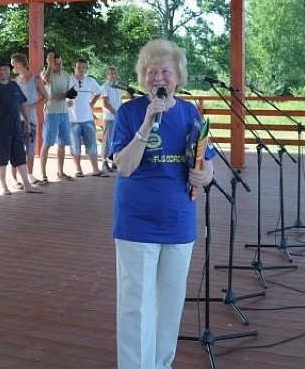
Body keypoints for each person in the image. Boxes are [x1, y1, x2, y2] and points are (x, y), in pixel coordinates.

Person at [110, 39, 214, 369]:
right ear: (143, 78)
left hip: (179, 221)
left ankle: (161, 365)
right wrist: (146, 123)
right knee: (136, 306)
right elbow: (124, 166)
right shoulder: (129, 113)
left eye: (165, 71)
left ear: (178, 77)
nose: (158, 78)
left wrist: (204, 176)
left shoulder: (191, 114)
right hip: (136, 222)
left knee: (169, 305)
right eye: (151, 72)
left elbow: (206, 164)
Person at [0, 59, 42, 195]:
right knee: (2, 158)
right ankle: (4, 187)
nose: (3, 71)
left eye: (5, 69)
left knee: (20, 156)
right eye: (0, 69)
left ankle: (27, 185)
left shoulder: (14, 86)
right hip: (0, 129)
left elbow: (22, 105)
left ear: (9, 71)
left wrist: (27, 122)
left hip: (16, 127)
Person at [10, 52, 48, 188]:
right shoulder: (14, 82)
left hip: (31, 119)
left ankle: (30, 175)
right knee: (16, 149)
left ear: (19, 64)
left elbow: (45, 97)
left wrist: (31, 107)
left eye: (13, 64)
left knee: (30, 149)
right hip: (16, 120)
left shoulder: (36, 79)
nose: (12, 66)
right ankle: (15, 179)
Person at [68, 58, 106, 178]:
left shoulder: (90, 81)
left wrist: (92, 103)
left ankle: (95, 169)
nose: (81, 69)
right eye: (79, 67)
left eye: (84, 67)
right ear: (74, 67)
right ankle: (78, 170)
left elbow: (98, 92)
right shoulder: (68, 80)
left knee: (91, 145)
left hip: (87, 118)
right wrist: (66, 102)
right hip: (72, 119)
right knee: (75, 146)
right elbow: (60, 94)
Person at [40, 51, 73, 183]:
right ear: (50, 63)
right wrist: (49, 65)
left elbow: (68, 91)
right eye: (55, 64)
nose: (58, 66)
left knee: (62, 143)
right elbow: (45, 81)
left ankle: (60, 171)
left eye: (60, 63)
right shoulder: (46, 72)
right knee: (47, 143)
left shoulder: (65, 75)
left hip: (64, 111)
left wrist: (70, 96)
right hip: (51, 112)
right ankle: (43, 174)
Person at [99, 66, 123, 174]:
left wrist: (122, 113)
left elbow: (119, 101)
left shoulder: (118, 87)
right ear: (107, 75)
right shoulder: (105, 87)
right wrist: (116, 113)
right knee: (107, 140)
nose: (112, 75)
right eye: (110, 73)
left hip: (118, 117)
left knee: (117, 140)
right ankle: (104, 162)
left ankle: (114, 162)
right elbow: (105, 103)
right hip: (109, 118)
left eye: (114, 73)